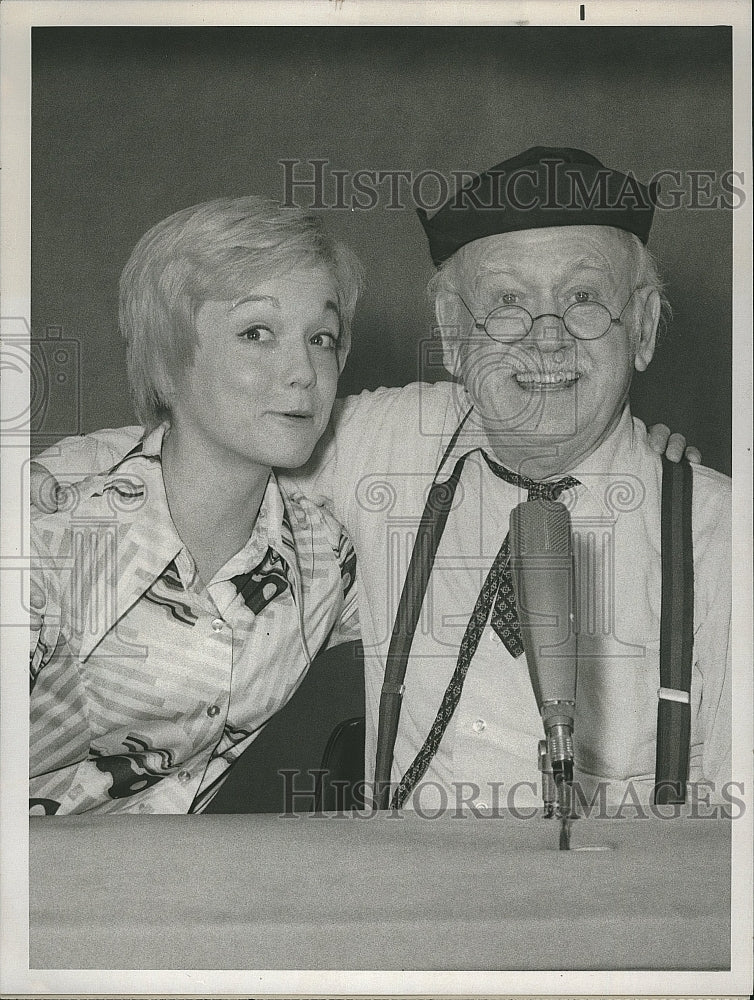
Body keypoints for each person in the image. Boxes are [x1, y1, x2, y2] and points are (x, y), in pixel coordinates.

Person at [32, 148, 725, 815]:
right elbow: (206, 441)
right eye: (507, 301)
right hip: (396, 917)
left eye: (583, 298)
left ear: (640, 329)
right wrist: (41, 483)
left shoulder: (721, 537)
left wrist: (677, 493)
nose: (547, 339)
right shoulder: (391, 445)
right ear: (454, 336)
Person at [29, 196, 362, 815]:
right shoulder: (50, 538)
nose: (303, 372)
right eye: (256, 333)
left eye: (322, 338)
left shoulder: (324, 560)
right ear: (168, 361)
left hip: (170, 895)